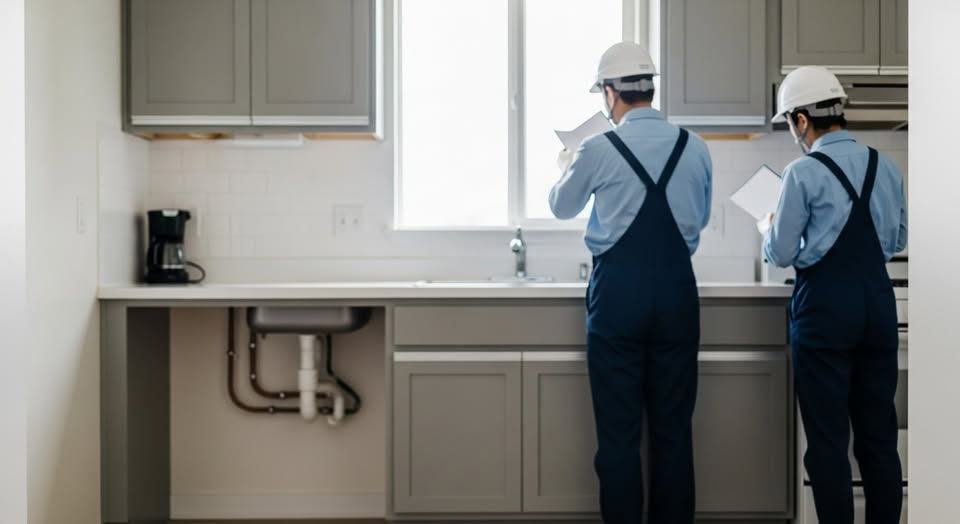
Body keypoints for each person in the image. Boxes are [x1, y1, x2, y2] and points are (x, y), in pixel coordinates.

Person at [549, 41, 712, 524]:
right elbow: (697, 224)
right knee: (673, 434)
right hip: (678, 297)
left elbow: (562, 206)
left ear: (609, 93)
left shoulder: (597, 148)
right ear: (651, 89)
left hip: (618, 299)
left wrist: (567, 162)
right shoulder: (695, 147)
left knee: (619, 439)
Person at [763, 66, 907, 524]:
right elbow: (897, 239)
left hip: (825, 312)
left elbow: (782, 253)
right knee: (878, 439)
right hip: (877, 306)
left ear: (802, 120)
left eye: (790, 122)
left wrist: (769, 228)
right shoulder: (885, 165)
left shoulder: (801, 172)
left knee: (827, 441)